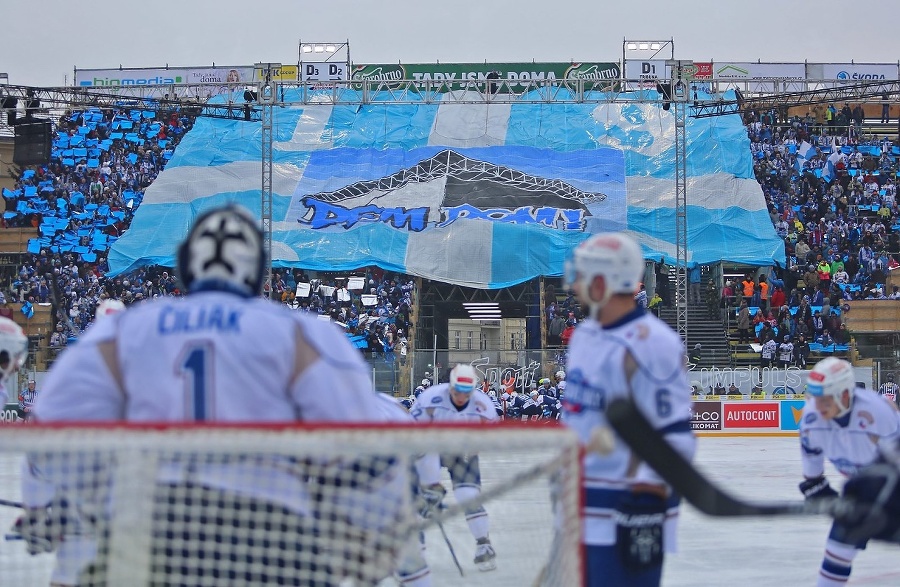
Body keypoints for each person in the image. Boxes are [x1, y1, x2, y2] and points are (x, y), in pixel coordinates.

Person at [17, 204, 398, 586]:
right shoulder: (302, 332)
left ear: (186, 265)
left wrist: (69, 506)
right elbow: (358, 445)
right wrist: (365, 525)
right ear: (256, 271)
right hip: (271, 528)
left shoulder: (127, 329)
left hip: (148, 520)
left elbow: (52, 427)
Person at [560, 232, 696, 587]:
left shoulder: (655, 345)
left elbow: (677, 437)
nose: (574, 285)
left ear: (603, 282)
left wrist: (649, 499)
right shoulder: (585, 336)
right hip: (580, 504)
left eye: (583, 276)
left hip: (629, 508)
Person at [799, 357, 900, 586]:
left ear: (844, 395)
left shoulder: (880, 412)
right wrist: (832, 503)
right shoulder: (810, 420)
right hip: (862, 488)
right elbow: (813, 481)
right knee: (837, 550)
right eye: (814, 398)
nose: (817, 406)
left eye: (824, 399)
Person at [408, 364, 499, 571]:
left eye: (467, 392)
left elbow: (491, 434)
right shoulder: (430, 398)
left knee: (468, 496)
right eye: (458, 391)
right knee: (419, 495)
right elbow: (412, 429)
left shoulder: (483, 405)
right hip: (431, 447)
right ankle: (431, 492)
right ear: (450, 385)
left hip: (463, 451)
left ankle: (483, 544)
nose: (461, 397)